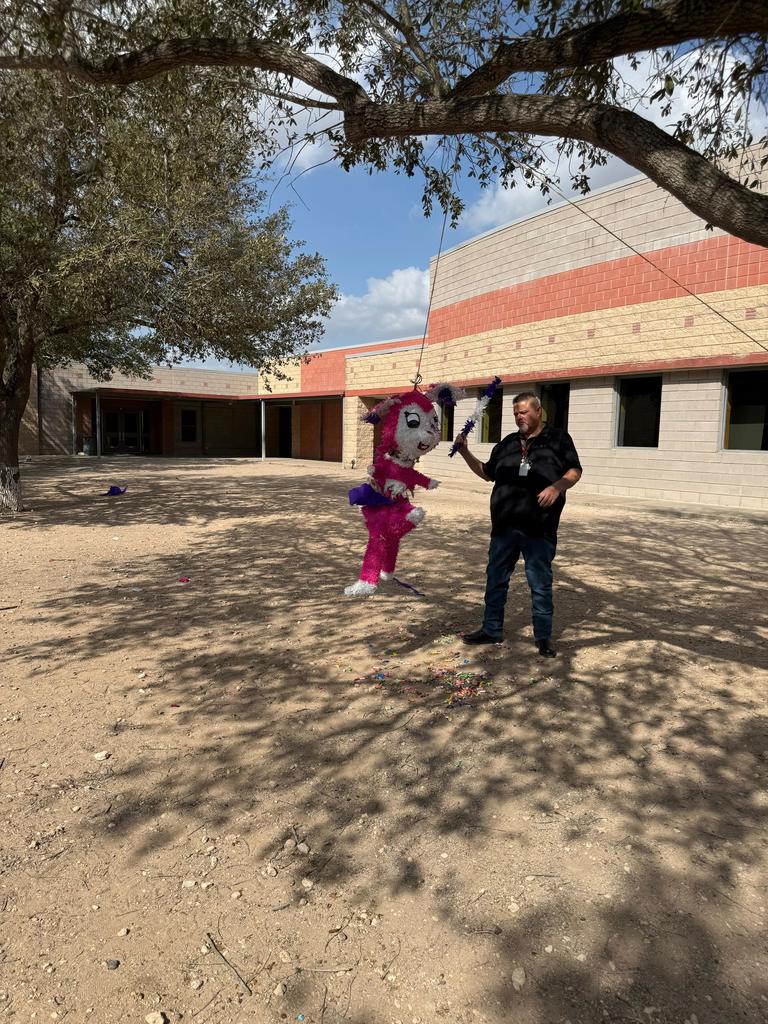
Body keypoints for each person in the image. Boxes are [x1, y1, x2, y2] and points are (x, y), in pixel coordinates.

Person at [454, 392, 582, 657]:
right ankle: (491, 629)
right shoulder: (508, 443)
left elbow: (574, 471)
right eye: (515, 413)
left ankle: (543, 638)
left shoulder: (558, 439)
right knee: (496, 580)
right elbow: (486, 473)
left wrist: (557, 487)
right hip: (504, 527)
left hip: (539, 528)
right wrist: (465, 451)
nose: (518, 417)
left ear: (538, 411)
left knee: (540, 584)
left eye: (523, 412)